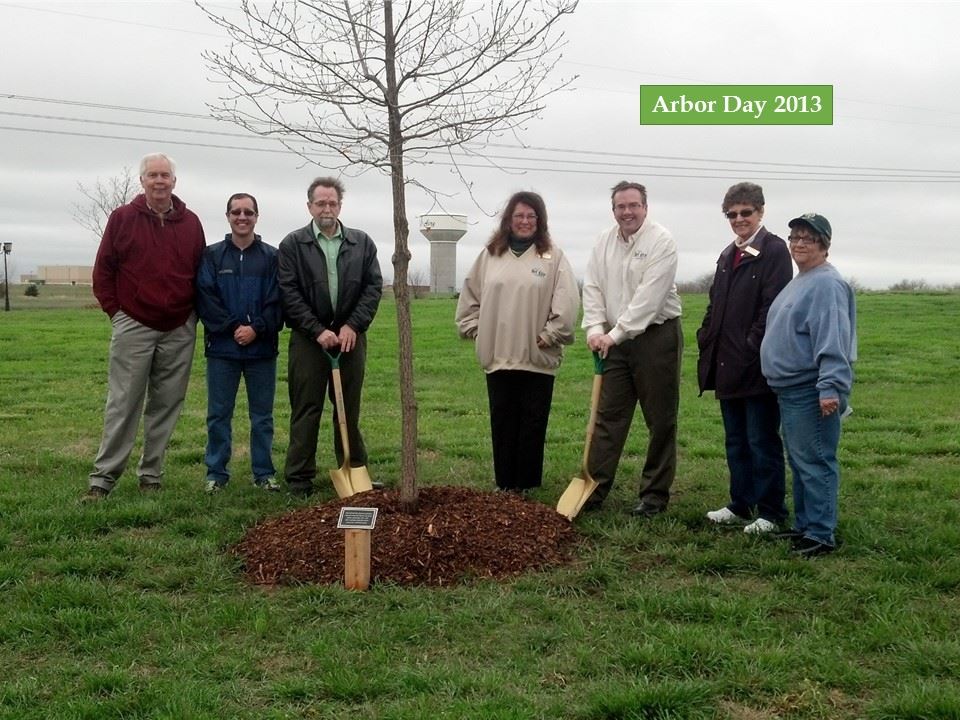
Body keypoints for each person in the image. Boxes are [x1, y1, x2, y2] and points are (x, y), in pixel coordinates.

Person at [85, 152, 206, 500]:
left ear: (174, 182)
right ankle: (103, 478)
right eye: (152, 175)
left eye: (164, 175)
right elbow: (103, 271)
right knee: (123, 402)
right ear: (142, 181)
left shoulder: (191, 223)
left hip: (179, 326)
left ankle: (151, 473)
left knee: (166, 403)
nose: (159, 181)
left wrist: (191, 315)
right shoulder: (122, 218)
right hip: (134, 324)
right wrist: (117, 313)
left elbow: (200, 272)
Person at [456, 191, 579, 494]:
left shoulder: (553, 257)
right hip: (498, 356)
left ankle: (525, 485)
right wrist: (475, 328)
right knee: (503, 421)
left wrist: (550, 334)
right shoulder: (490, 255)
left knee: (532, 424)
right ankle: (504, 484)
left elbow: (566, 303)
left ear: (540, 220)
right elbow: (470, 296)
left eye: (531, 216)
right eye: (519, 216)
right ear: (509, 220)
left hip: (536, 357)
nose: (525, 221)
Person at [581, 180, 683, 516]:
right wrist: (596, 328)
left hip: (656, 337)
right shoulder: (603, 242)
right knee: (608, 416)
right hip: (613, 341)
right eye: (621, 207)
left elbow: (649, 300)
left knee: (660, 419)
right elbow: (593, 286)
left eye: (633, 205)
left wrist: (615, 333)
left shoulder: (662, 242)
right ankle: (593, 488)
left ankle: (654, 496)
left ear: (645, 207)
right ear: (614, 211)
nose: (627, 212)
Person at [697, 182, 793, 534]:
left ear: (761, 212)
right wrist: (706, 337)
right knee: (735, 439)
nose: (739, 220)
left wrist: (752, 345)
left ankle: (771, 511)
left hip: (756, 366)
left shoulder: (774, 250)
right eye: (732, 214)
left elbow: (773, 307)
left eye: (745, 213)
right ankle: (741, 503)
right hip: (726, 365)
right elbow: (714, 304)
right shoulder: (727, 255)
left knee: (761, 440)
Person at [278, 177, 383, 497]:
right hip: (309, 341)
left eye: (332, 203)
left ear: (340, 205)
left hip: (350, 339)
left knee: (348, 408)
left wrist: (353, 326)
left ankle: (355, 469)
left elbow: (372, 287)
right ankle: (299, 478)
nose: (327, 208)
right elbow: (288, 291)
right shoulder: (293, 244)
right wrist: (317, 330)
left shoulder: (361, 242)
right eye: (320, 203)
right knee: (306, 408)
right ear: (309, 206)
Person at [761, 213, 856, 557]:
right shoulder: (802, 279)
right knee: (800, 460)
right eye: (795, 237)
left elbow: (833, 339)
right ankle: (804, 525)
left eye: (809, 239)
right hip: (789, 389)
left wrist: (830, 386)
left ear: (825, 246)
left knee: (815, 460)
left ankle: (820, 533)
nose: (799, 244)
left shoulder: (826, 284)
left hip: (810, 388)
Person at [196, 193, 282, 494]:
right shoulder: (212, 256)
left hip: (261, 350)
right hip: (222, 350)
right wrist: (234, 328)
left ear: (257, 216)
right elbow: (206, 299)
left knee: (262, 416)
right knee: (219, 414)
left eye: (248, 212)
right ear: (228, 216)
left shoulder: (272, 257)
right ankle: (216, 473)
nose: (242, 217)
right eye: (236, 212)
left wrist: (256, 329)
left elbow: (278, 301)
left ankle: (264, 472)